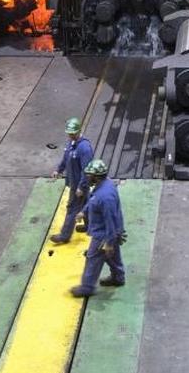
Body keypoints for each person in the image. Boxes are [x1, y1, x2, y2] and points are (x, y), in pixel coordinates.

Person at [70, 158, 125, 297]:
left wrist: (109, 242)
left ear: (96, 176)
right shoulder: (105, 185)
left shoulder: (105, 197)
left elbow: (110, 221)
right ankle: (118, 278)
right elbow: (94, 200)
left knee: (93, 258)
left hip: (104, 234)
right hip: (110, 232)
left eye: (88, 175)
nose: (86, 177)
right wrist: (84, 211)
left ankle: (87, 287)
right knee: (111, 256)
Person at [50, 116, 93, 244]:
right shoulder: (71, 143)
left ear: (78, 131)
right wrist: (59, 170)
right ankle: (90, 226)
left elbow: (87, 169)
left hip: (79, 184)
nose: (70, 135)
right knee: (86, 204)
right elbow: (66, 158)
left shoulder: (84, 148)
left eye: (72, 133)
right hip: (74, 181)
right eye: (69, 133)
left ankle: (64, 235)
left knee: (72, 207)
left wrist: (81, 186)